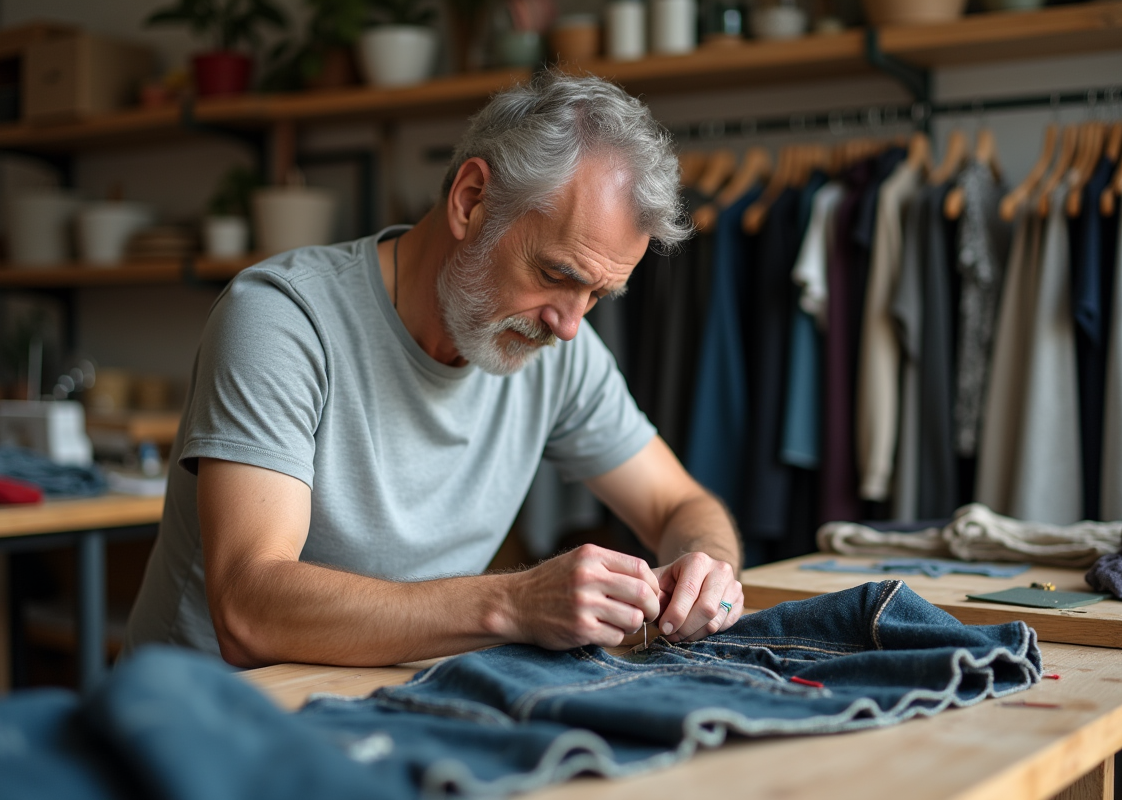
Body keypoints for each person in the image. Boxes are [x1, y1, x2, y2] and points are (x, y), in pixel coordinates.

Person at [125, 70, 743, 669]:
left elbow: (678, 505)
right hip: (205, 719)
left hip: (393, 710)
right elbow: (248, 608)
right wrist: (514, 602)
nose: (570, 325)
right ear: (471, 201)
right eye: (557, 275)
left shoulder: (560, 349)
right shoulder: (282, 319)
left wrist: (705, 568)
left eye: (598, 296)